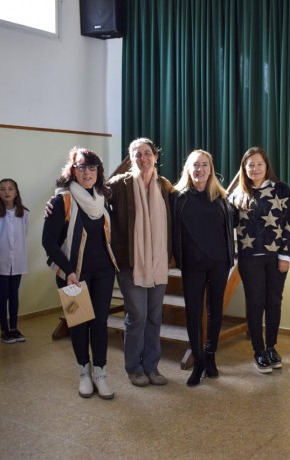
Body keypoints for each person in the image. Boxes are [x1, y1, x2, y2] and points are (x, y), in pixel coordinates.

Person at [42, 148, 117, 399]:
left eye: (92, 167)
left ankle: (101, 373)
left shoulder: (103, 197)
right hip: (71, 275)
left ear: (99, 171)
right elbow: (49, 243)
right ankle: (84, 373)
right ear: (73, 170)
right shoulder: (60, 200)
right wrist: (69, 271)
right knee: (78, 323)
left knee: (99, 323)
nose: (88, 172)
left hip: (104, 273)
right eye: (82, 167)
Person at [108, 138, 173, 388]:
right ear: (130, 158)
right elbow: (91, 196)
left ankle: (152, 366)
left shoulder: (164, 186)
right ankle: (134, 368)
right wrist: (58, 200)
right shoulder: (118, 185)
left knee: (155, 316)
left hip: (158, 262)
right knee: (137, 316)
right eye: (137, 154)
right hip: (130, 262)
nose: (143, 158)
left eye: (147, 153)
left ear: (155, 157)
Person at [229, 147, 290, 374]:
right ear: (244, 169)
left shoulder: (281, 189)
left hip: (277, 258)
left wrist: (285, 255)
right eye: (250, 165)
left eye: (259, 164)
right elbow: (227, 225)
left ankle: (271, 347)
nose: (255, 168)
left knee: (274, 302)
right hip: (250, 260)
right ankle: (258, 350)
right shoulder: (237, 194)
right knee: (255, 304)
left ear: (266, 166)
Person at [171, 150, 235, 387]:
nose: (200, 169)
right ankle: (197, 362)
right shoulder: (178, 198)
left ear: (211, 169)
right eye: (195, 165)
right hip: (192, 266)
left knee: (215, 311)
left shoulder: (222, 197)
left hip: (219, 264)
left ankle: (210, 356)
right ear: (188, 169)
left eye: (204, 165)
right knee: (193, 313)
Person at [0, 178, 29, 344]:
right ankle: (5, 330)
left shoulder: (23, 213)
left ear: (16, 192)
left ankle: (14, 328)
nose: (7, 192)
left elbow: (23, 234)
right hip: (1, 258)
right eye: (3, 189)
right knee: (3, 294)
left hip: (17, 259)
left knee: (14, 294)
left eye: (10, 189)